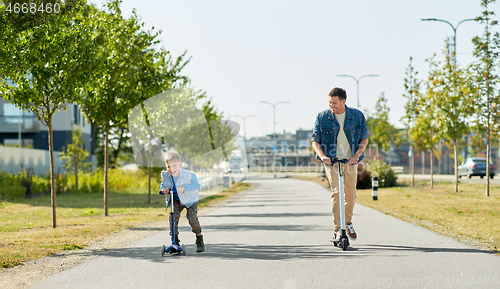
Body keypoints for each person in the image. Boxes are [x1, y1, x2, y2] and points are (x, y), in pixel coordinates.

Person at [311, 87, 369, 242]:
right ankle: (338, 229)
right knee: (337, 192)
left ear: (344, 101)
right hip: (331, 161)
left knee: (350, 193)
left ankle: (347, 222)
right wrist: (322, 156)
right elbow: (315, 141)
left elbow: (364, 138)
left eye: (334, 103)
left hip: (351, 160)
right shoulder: (322, 117)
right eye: (330, 102)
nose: (331, 106)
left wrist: (357, 155)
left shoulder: (357, 116)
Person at [159, 150, 204, 253]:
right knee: (173, 217)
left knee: (192, 217)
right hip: (176, 199)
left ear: (180, 164)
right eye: (169, 167)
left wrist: (185, 187)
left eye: (174, 166)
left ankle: (199, 237)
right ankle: (175, 241)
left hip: (189, 200)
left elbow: (197, 185)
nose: (171, 169)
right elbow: (163, 184)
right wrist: (163, 189)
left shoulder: (189, 175)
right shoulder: (165, 175)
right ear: (166, 167)